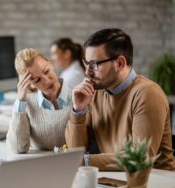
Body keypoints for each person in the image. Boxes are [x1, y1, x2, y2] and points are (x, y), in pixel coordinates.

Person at [65, 28, 175, 171]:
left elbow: (140, 158)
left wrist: (86, 161)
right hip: (116, 180)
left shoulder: (147, 93)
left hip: (157, 182)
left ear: (120, 63)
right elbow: (75, 153)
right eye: (87, 63)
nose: (87, 72)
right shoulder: (94, 94)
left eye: (94, 64)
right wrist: (78, 110)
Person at [6, 48, 73, 153]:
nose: (46, 81)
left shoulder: (78, 96)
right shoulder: (27, 103)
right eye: (36, 80)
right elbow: (17, 149)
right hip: (41, 166)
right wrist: (20, 101)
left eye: (46, 71)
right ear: (29, 83)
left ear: (50, 63)